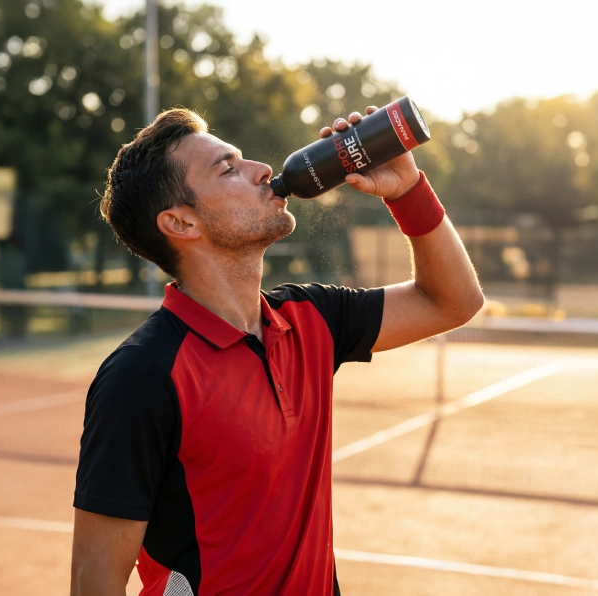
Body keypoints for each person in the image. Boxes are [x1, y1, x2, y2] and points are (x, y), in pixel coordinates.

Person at [70, 106, 483, 596]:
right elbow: (94, 580)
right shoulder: (141, 375)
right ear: (180, 223)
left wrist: (408, 192)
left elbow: (453, 301)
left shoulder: (312, 318)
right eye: (228, 169)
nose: (262, 170)